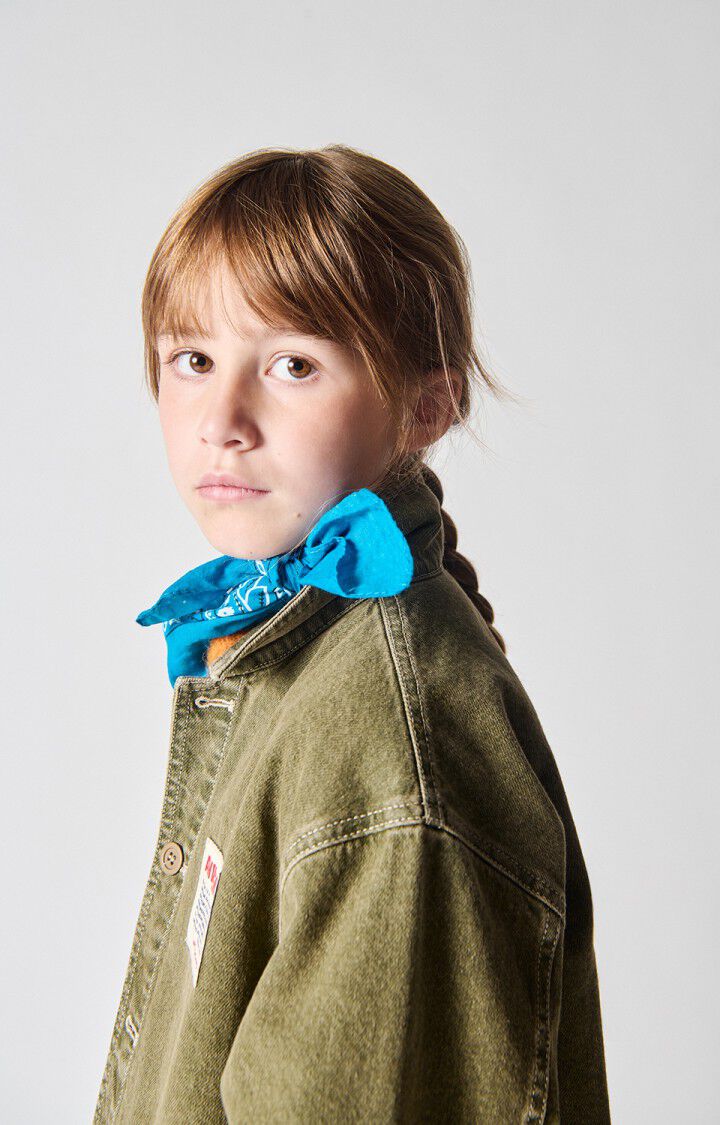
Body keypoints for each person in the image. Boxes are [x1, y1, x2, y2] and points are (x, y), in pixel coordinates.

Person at [93, 144, 610, 1124]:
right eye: (192, 359)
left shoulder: (381, 729)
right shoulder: (296, 647)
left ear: (427, 404)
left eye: (293, 365)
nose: (221, 419)